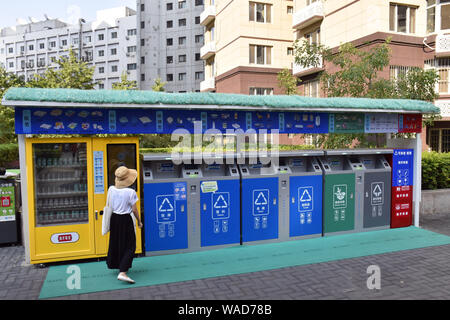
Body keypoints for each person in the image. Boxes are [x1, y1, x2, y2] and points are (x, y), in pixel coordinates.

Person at [106, 166, 143, 284]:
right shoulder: (130, 192)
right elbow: (134, 210)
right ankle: (123, 272)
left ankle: (118, 265)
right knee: (131, 245)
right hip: (125, 219)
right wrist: (139, 221)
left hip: (114, 218)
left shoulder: (111, 189)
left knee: (117, 242)